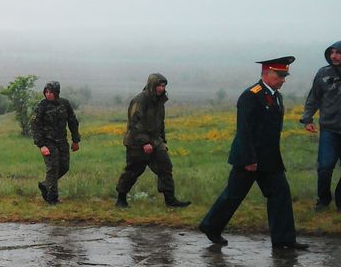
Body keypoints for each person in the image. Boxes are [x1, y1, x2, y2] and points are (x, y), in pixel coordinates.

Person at [199, 56, 308, 250]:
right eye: (279, 75)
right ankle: (210, 226)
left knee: (280, 194)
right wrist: (249, 159)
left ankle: (284, 239)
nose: (283, 79)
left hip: (270, 159)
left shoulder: (277, 96)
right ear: (266, 73)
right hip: (249, 158)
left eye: (285, 76)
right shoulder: (251, 95)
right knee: (233, 195)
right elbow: (245, 130)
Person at [114, 74, 191, 209]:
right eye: (159, 85)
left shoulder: (160, 101)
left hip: (156, 141)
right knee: (133, 170)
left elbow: (160, 123)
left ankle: (170, 200)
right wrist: (144, 142)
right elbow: (135, 123)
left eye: (163, 86)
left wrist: (162, 140)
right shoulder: (140, 100)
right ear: (152, 85)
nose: (161, 88)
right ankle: (121, 199)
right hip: (136, 142)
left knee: (165, 167)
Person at [300, 40, 341, 211]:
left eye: (338, 52)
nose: (334, 56)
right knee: (325, 166)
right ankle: (323, 200)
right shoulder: (323, 74)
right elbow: (314, 98)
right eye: (332, 52)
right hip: (329, 129)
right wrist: (307, 119)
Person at [30, 81, 81, 204]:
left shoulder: (64, 104)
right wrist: (41, 145)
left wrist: (75, 140)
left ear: (57, 92)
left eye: (51, 92)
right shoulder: (42, 105)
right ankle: (52, 199)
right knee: (53, 168)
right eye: (46, 92)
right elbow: (35, 126)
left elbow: (73, 122)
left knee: (64, 166)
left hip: (62, 141)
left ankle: (45, 184)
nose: (48, 94)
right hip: (48, 142)